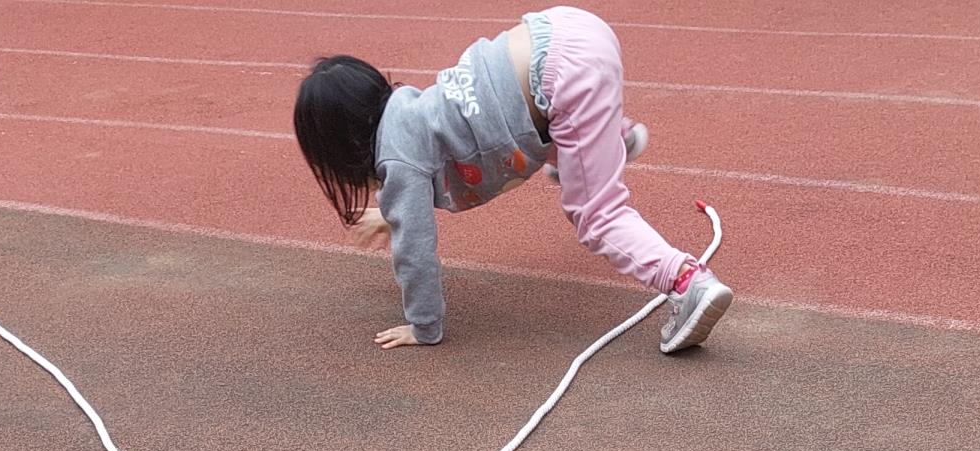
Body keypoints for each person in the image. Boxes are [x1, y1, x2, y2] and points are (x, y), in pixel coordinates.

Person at [293, 11, 731, 355]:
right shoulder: (411, 108)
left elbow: (415, 252)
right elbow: (467, 150)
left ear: (339, 148)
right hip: (566, 28)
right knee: (519, 125)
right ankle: (608, 141)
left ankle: (686, 282)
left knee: (595, 216)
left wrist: (424, 325)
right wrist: (393, 214)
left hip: (563, 77)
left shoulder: (397, 159)